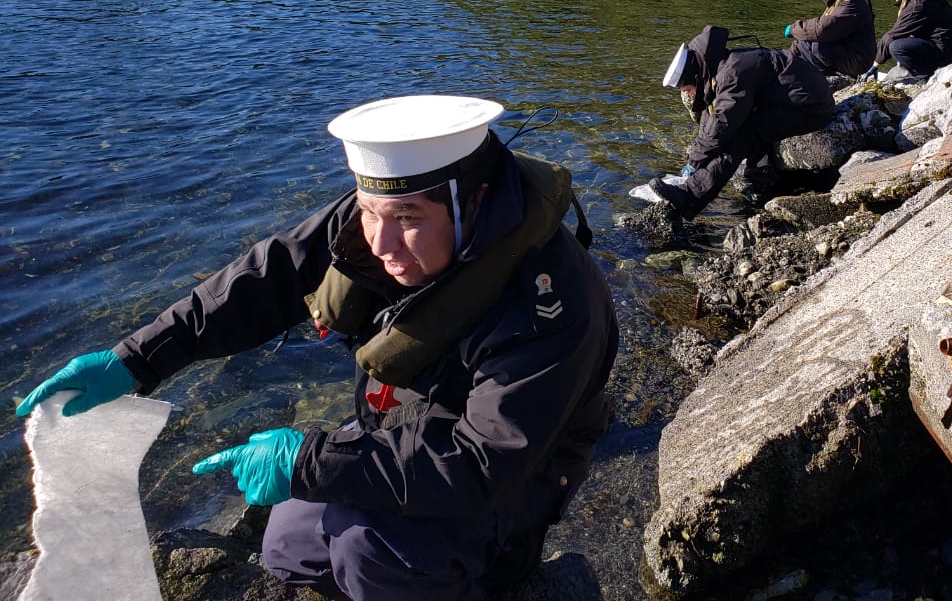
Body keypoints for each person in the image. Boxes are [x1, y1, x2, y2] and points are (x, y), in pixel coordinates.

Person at [15, 94, 619, 601]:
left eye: (407, 216)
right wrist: (136, 359)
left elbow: (487, 461)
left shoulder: (549, 303)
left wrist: (308, 461)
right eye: (368, 211)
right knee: (287, 543)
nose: (381, 241)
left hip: (515, 473)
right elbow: (267, 276)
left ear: (476, 200)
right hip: (410, 430)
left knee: (368, 551)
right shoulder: (386, 215)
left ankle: (496, 572)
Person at [647, 25, 835, 216]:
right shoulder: (718, 68)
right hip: (796, 100)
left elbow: (723, 123)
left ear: (694, 76)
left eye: (687, 89)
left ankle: (690, 198)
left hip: (811, 107)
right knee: (744, 126)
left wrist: (695, 162)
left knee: (741, 135)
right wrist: (697, 155)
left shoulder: (731, 73)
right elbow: (709, 119)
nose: (689, 94)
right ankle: (761, 174)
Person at [863, 0, 952, 83]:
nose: (895, 1)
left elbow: (892, 34)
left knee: (896, 47)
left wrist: (875, 64)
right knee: (904, 38)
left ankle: (924, 77)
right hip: (948, 47)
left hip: (944, 52)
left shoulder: (917, 6)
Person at [784, 0, 876, 79]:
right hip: (850, 52)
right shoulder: (842, 0)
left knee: (815, 45)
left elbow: (822, 29)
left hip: (859, 60)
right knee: (802, 44)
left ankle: (821, 80)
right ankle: (785, 68)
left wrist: (793, 29)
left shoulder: (851, 4)